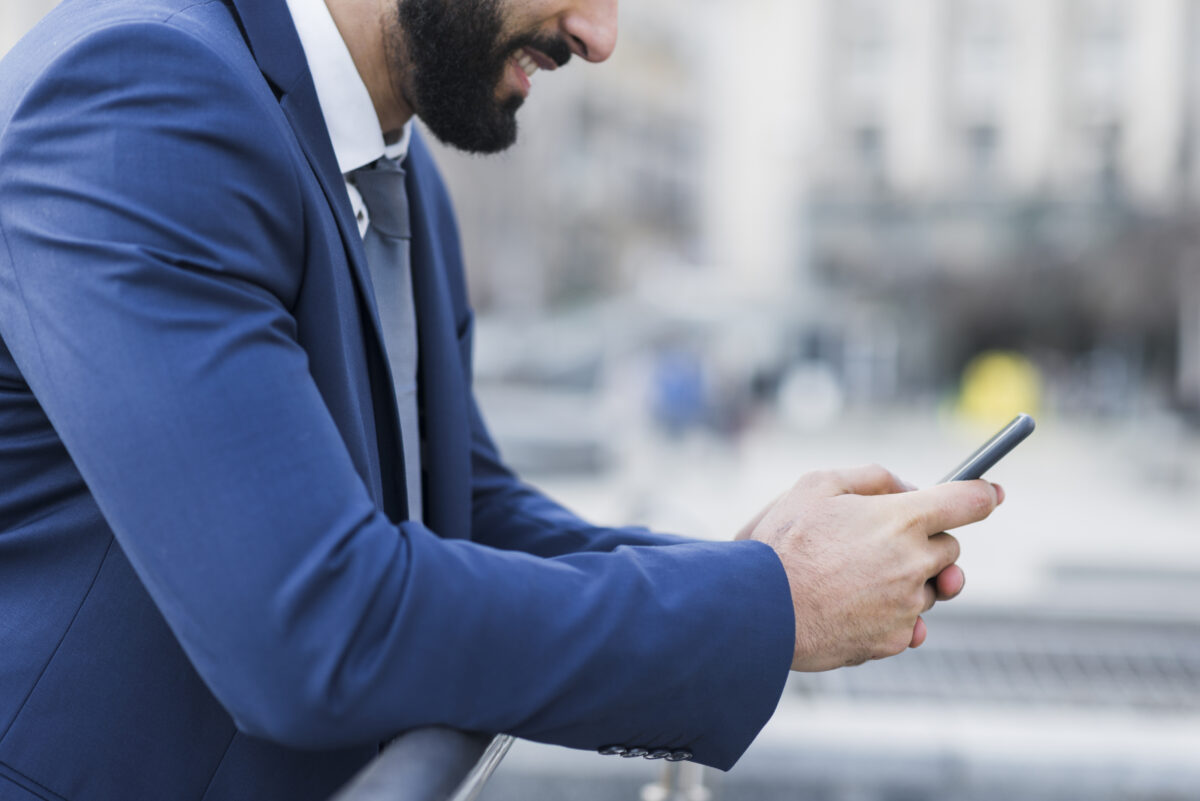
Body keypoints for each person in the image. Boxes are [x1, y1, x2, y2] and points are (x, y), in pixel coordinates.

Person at [0, 0, 1002, 798]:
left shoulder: (391, 155)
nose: (601, 36)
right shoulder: (141, 98)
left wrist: (762, 569)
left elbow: (463, 512)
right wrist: (774, 607)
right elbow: (312, 628)